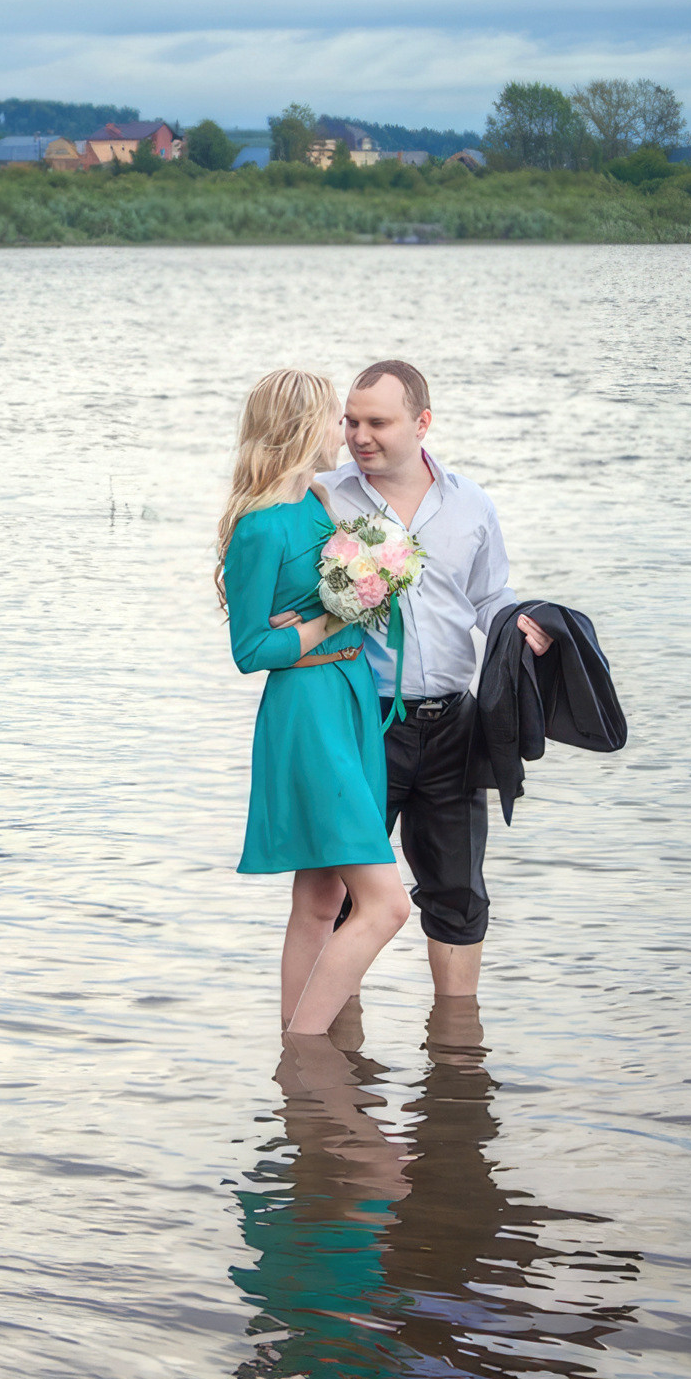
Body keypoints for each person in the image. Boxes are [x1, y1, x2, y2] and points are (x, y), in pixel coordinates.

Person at [323, 360, 549, 1000]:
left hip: (456, 724)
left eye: (377, 422)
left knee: (458, 890)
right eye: (351, 421)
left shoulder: (470, 502)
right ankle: (332, 1060)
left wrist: (521, 622)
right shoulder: (324, 497)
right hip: (363, 725)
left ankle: (456, 1055)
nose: (360, 436)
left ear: (422, 423)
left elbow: (487, 597)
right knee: (344, 895)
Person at [220, 367, 414, 1034]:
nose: (344, 430)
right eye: (335, 417)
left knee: (320, 897)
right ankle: (305, 1045)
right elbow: (249, 650)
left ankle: (296, 1065)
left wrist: (371, 585)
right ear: (302, 427)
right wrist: (330, 618)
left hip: (351, 696)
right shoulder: (260, 528)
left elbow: (343, 602)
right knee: (388, 906)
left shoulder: (319, 507)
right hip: (307, 713)